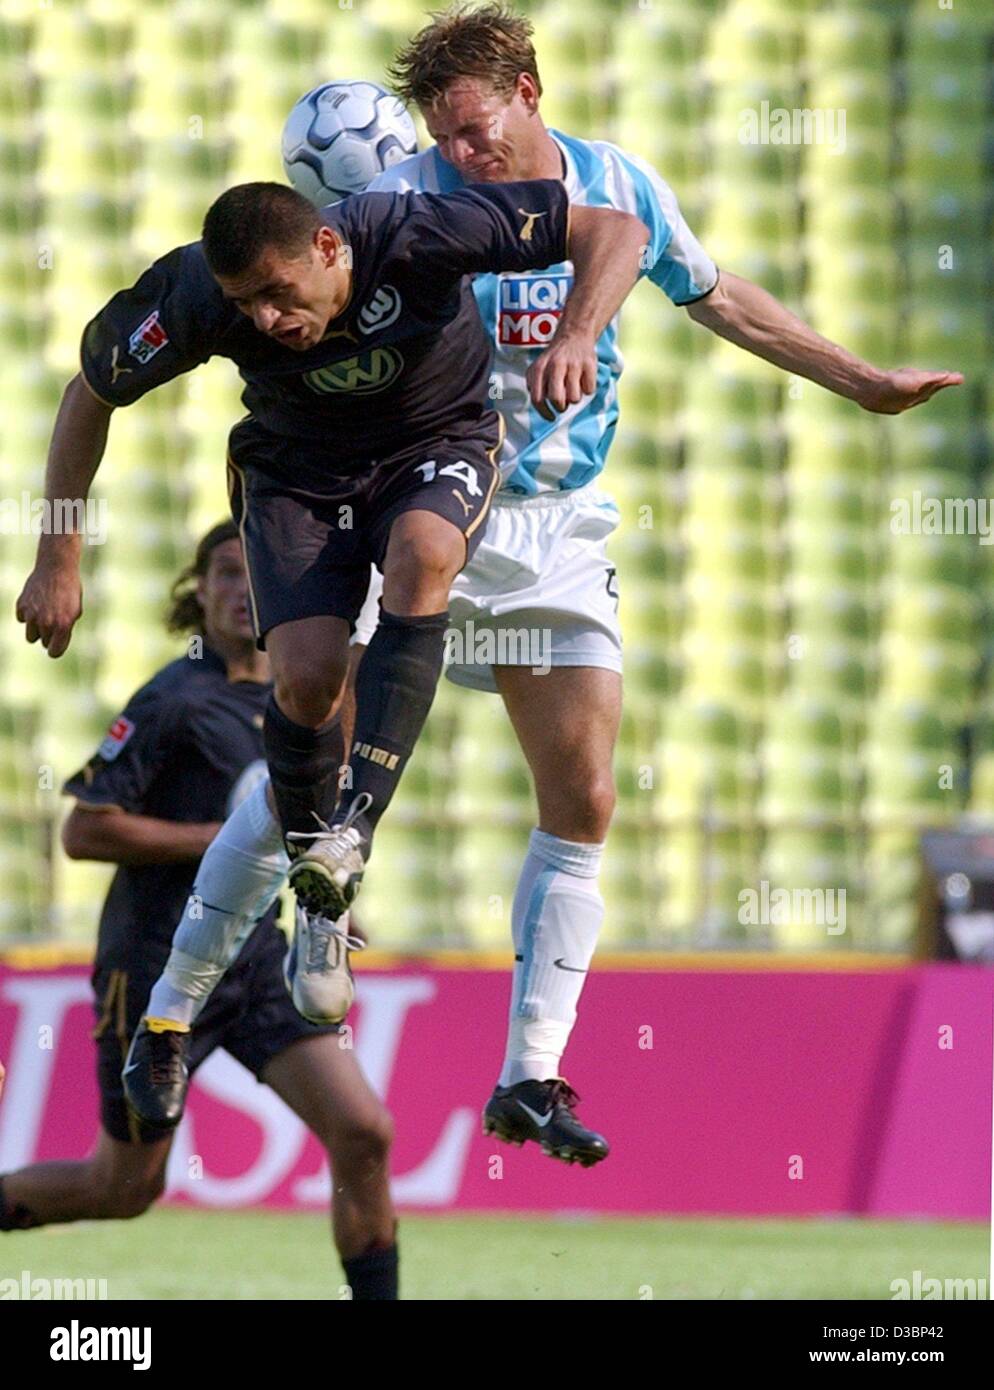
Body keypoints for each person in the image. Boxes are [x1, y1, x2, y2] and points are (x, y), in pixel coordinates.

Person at [122, 3, 963, 1169]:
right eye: (443, 134)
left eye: (475, 128)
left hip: (555, 526)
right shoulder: (402, 208)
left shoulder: (616, 184)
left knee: (586, 796)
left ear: (528, 86)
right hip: (410, 505)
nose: (462, 153)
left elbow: (714, 295)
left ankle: (530, 1073)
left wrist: (853, 376)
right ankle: (176, 999)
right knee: (307, 754)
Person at [14, 173, 649, 1060]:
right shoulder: (197, 294)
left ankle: (352, 833)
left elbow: (614, 228)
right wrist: (58, 555)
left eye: (280, 293)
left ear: (327, 249)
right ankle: (320, 899)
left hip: (435, 445)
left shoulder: (417, 230)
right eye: (248, 304)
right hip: (297, 475)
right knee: (308, 682)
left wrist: (577, 332)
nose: (268, 319)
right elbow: (93, 389)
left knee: (425, 557)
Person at [0, 523, 401, 1300]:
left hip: (258, 964)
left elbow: (301, 837)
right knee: (123, 1188)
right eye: (222, 573)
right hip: (157, 967)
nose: (239, 587)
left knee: (363, 1132)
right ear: (199, 592)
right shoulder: (174, 700)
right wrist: (220, 843)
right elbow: (84, 828)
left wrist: (326, 908)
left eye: (251, 569)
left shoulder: (304, 709)